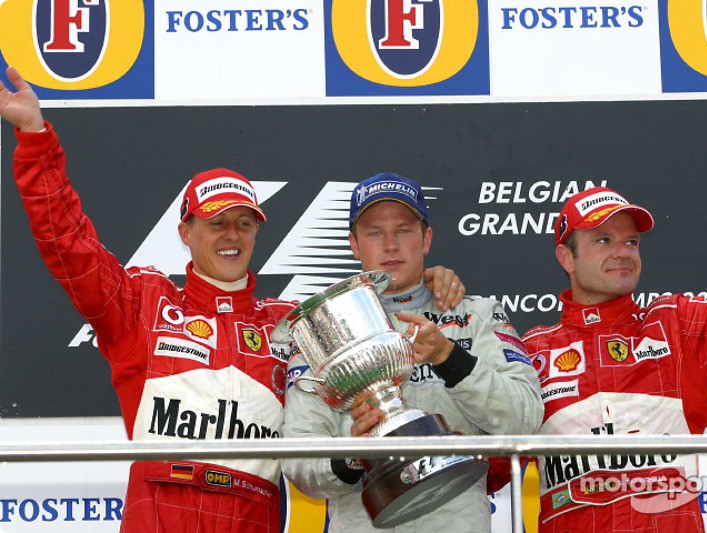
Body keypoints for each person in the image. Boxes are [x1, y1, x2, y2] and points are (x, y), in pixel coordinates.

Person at [0, 67, 465, 532]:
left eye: (244, 223)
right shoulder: (143, 303)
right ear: (185, 232)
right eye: (216, 222)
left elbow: (372, 336)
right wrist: (35, 136)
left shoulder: (290, 323)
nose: (232, 235)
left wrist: (432, 283)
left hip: (253, 514)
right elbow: (67, 241)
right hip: (161, 512)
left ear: (257, 231)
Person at [520, 99, 707, 532]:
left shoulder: (676, 327)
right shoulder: (531, 352)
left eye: (631, 243)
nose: (622, 253)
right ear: (566, 257)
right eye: (604, 240)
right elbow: (485, 466)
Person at [280, 172, 544, 532]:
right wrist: (352, 455)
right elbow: (298, 465)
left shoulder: (476, 315)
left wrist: (450, 359)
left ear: (426, 239)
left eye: (404, 230)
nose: (390, 245)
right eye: (374, 232)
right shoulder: (322, 336)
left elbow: (525, 419)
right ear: (354, 245)